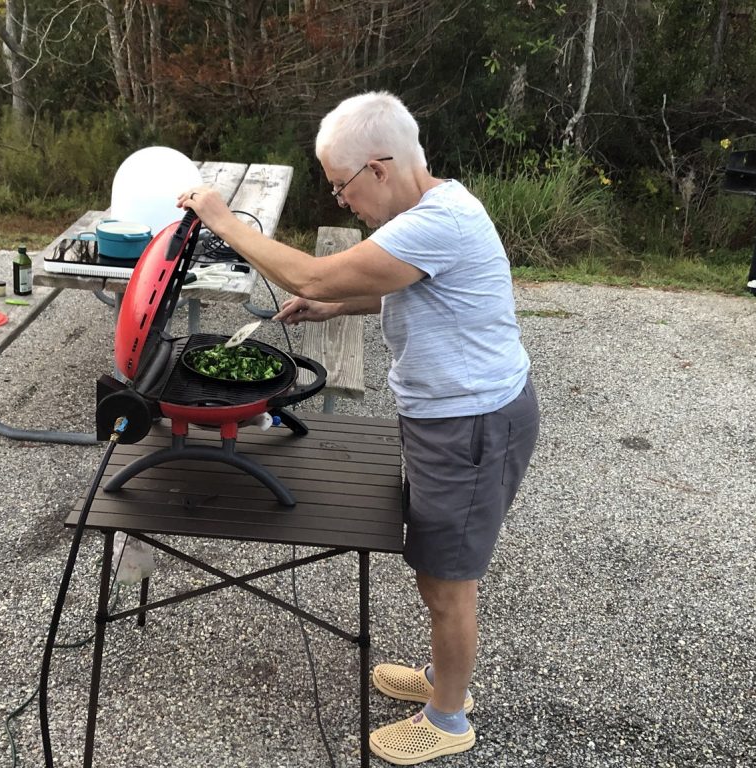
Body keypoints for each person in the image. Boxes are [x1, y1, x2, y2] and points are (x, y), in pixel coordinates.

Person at [179, 90, 540, 766]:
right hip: (455, 418)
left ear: (378, 167)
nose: (343, 201)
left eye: (342, 186)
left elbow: (311, 268)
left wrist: (224, 221)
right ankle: (443, 677)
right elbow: (409, 285)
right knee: (439, 569)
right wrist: (333, 305)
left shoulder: (437, 223)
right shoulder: (441, 209)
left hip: (471, 426)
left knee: (447, 580)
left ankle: (449, 717)